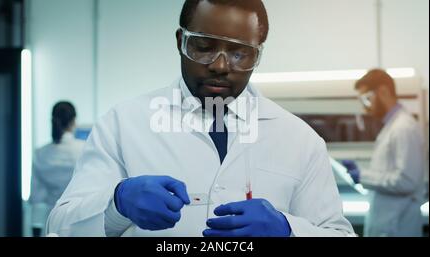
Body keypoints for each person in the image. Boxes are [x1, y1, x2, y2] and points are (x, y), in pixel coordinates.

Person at [47, 0, 354, 237]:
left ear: (257, 55)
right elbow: (60, 226)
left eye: (239, 53)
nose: (220, 65)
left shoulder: (299, 139)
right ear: (181, 41)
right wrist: (118, 203)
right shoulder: (123, 124)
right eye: (204, 47)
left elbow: (338, 232)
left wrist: (288, 230)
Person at [342, 69, 426, 237]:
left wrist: (363, 176)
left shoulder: (404, 128)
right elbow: (388, 171)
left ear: (383, 91)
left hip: (397, 227)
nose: (365, 106)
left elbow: (406, 181)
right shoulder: (392, 126)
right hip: (389, 225)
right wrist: (361, 171)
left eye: (366, 98)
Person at [30, 101, 85, 236]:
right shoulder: (85, 149)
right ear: (73, 121)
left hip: (52, 223)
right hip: (80, 220)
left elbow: (36, 198)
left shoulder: (40, 153)